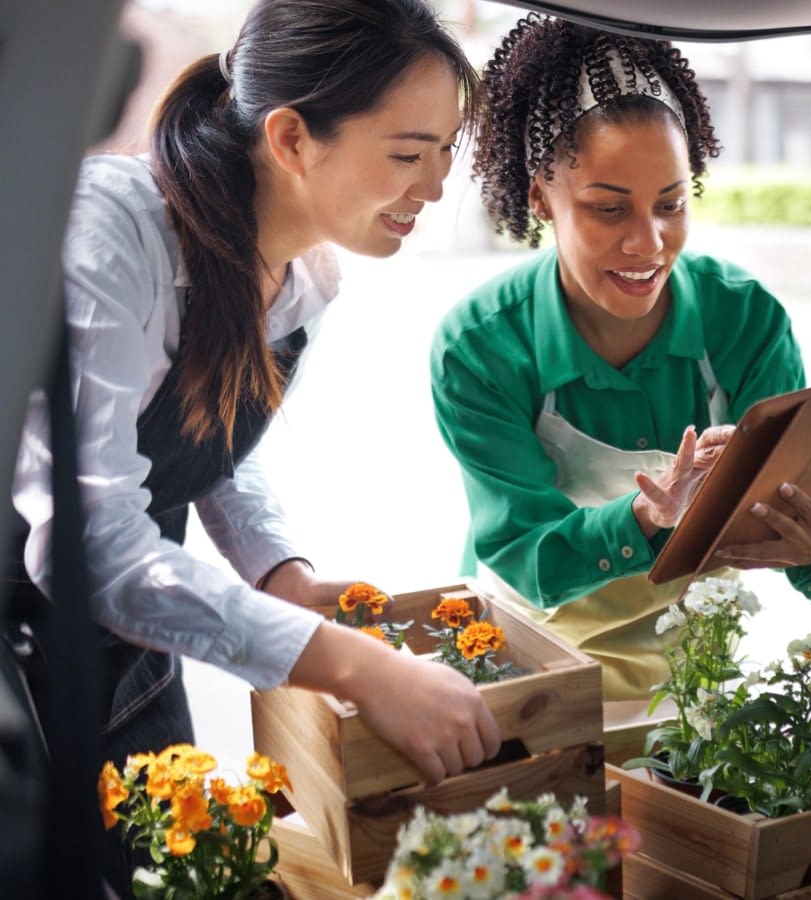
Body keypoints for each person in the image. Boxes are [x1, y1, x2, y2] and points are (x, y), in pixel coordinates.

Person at [6, 0, 500, 891]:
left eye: (445, 153)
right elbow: (85, 538)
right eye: (405, 154)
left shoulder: (307, 272)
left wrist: (281, 575)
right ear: (291, 137)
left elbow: (210, 438)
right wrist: (357, 664)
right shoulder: (112, 237)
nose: (433, 188)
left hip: (134, 632)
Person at [431, 16, 811, 701]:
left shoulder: (744, 321)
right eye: (609, 210)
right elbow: (524, 556)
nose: (649, 242)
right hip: (532, 665)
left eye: (670, 204)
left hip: (693, 675)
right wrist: (645, 520)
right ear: (540, 197)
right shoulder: (482, 346)